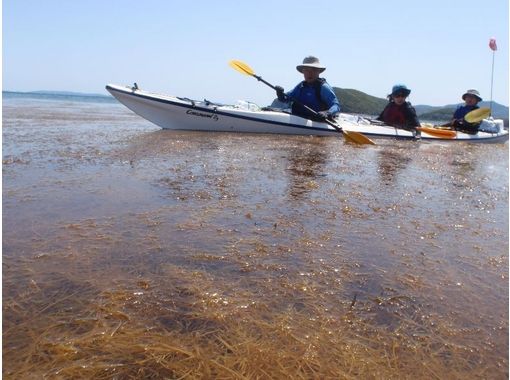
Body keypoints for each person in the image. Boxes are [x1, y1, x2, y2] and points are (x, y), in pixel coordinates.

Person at [274, 56, 341, 121]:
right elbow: (286, 99)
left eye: (313, 70)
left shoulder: (323, 87)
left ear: (318, 72)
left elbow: (336, 105)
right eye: (306, 70)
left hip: (318, 121)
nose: (309, 73)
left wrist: (327, 113)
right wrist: (280, 94)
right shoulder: (300, 86)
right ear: (303, 72)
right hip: (299, 119)